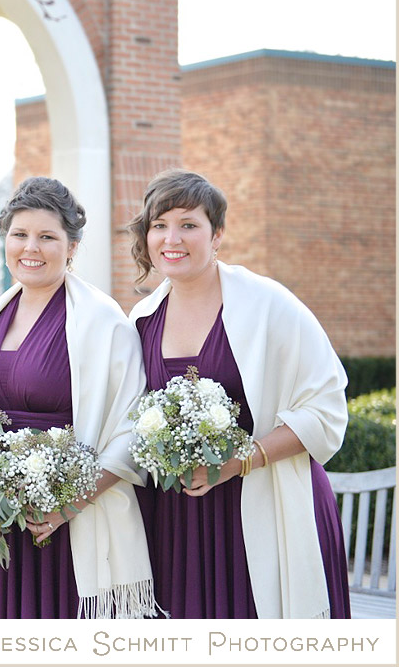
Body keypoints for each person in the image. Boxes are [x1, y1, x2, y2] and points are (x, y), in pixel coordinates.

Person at [127, 168, 351, 619]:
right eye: (160, 225)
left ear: (218, 235)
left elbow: (327, 412)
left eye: (189, 225)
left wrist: (238, 461)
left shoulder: (271, 306)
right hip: (180, 522)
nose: (173, 238)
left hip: (264, 505)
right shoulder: (141, 320)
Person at [0, 177, 157, 619]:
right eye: (19, 235)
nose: (30, 248)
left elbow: (131, 429)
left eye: (47, 237)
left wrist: (67, 504)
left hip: (71, 516)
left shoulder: (102, 321)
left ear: (72, 246)